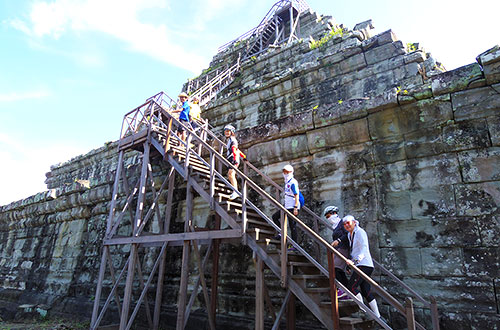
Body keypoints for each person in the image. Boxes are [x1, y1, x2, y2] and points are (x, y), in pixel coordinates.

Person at [343, 215, 380, 318]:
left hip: (364, 264)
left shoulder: (360, 232)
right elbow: (354, 251)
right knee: (365, 290)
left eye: (348, 223)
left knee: (352, 287)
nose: (346, 225)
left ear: (354, 222)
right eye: (344, 224)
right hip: (360, 264)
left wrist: (356, 260)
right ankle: (378, 316)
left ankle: (362, 311)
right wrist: (351, 265)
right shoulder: (349, 235)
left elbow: (364, 248)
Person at [272, 164, 300, 251]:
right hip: (287, 206)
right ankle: (281, 233)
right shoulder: (287, 181)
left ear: (291, 172)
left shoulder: (293, 182)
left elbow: (296, 195)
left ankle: (295, 245)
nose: (285, 173)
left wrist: (295, 207)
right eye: (284, 172)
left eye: (287, 172)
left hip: (292, 206)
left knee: (292, 226)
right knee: (275, 217)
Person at [323, 206, 349, 299]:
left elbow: (347, 234)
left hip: (344, 248)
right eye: (326, 217)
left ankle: (343, 290)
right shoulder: (335, 226)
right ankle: (347, 291)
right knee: (338, 270)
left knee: (336, 268)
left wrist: (338, 240)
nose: (328, 219)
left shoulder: (342, 223)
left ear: (334, 213)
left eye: (328, 216)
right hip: (338, 250)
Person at [224, 124, 240, 200]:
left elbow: (234, 148)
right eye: (225, 131)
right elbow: (237, 150)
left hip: (233, 158)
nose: (226, 133)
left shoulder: (232, 139)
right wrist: (243, 157)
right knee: (230, 174)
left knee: (231, 174)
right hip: (232, 158)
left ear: (231, 132)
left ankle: (235, 191)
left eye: (228, 131)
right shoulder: (230, 139)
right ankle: (235, 191)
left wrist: (235, 160)